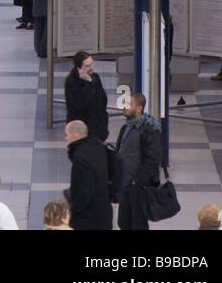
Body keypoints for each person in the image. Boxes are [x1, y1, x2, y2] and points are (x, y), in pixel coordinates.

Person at [115, 92, 164, 231]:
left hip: (139, 186)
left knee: (138, 223)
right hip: (125, 183)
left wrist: (137, 180)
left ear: (139, 108)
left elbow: (153, 159)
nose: (124, 107)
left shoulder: (150, 130)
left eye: (129, 104)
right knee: (124, 221)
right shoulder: (126, 127)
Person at [64, 120, 113, 231]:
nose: (65, 138)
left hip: (87, 219)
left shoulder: (80, 157)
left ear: (75, 135)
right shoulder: (99, 148)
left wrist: (73, 207)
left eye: (67, 135)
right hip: (104, 211)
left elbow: (85, 191)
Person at [64, 51, 109, 142]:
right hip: (80, 129)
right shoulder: (71, 82)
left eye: (92, 64)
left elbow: (102, 99)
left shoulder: (95, 77)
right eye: (87, 66)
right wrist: (88, 83)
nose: (91, 68)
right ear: (79, 68)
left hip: (97, 128)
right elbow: (80, 104)